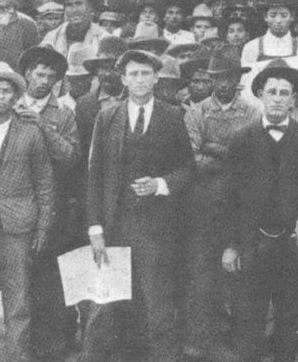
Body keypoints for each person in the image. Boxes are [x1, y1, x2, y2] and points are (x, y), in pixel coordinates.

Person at [83, 49, 194, 362]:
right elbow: (95, 175)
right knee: (104, 306)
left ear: (156, 78)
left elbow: (187, 168)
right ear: (123, 79)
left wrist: (160, 184)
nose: (140, 79)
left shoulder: (173, 116)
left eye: (146, 73)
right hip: (115, 224)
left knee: (158, 304)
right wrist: (95, 227)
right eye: (133, 74)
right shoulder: (107, 116)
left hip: (156, 228)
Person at [221, 61, 298, 362]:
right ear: (260, 96)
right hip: (252, 243)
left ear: (295, 99)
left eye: (285, 93)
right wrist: (230, 245)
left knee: (287, 318)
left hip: (291, 244)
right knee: (249, 319)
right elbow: (228, 198)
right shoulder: (243, 138)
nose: (278, 98)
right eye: (272, 92)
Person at [182, 51, 258, 361]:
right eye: (218, 78)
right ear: (211, 80)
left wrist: (213, 149)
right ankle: (202, 345)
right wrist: (230, 157)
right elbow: (192, 157)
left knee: (239, 274)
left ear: (239, 79)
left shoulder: (252, 113)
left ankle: (238, 344)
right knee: (202, 277)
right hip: (203, 205)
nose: (224, 83)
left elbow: (254, 158)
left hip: (240, 205)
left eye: (230, 77)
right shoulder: (196, 112)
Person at [0, 62, 54, 361]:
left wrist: (43, 226)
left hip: (19, 223)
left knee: (18, 297)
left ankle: (17, 355)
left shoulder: (30, 131)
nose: (1, 97)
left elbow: (45, 182)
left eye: (7, 91)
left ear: (14, 97)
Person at [15, 46, 81, 360]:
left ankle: (52, 346)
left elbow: (71, 158)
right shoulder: (7, 105)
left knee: (50, 278)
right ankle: (21, 343)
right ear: (27, 74)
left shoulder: (63, 114)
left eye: (51, 77)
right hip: (14, 203)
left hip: (50, 206)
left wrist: (41, 126)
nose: (44, 81)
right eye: (39, 74)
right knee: (19, 277)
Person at [43, 0, 108, 57]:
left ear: (90, 7)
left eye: (79, 3)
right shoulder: (51, 38)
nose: (74, 10)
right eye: (69, 5)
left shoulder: (103, 39)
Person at [59, 43, 96, 111]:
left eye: (83, 78)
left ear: (92, 77)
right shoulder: (59, 106)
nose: (79, 83)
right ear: (68, 78)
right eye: (75, 79)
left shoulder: (99, 106)